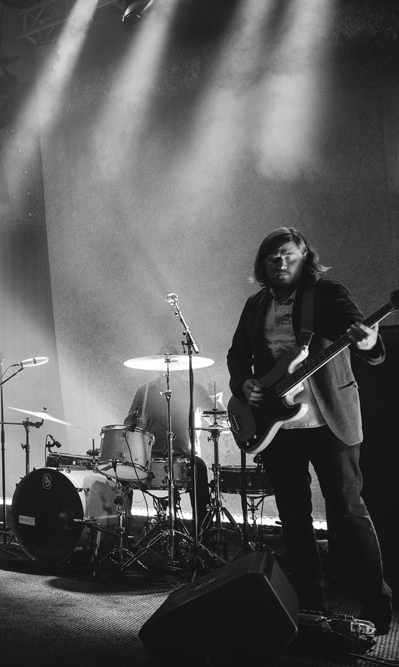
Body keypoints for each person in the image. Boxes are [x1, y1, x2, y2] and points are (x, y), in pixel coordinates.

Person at [226, 227, 392, 634]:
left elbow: (365, 340)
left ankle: (377, 604)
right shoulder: (256, 304)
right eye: (272, 257)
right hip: (277, 425)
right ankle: (309, 603)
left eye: (288, 255)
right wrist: (244, 384)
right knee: (294, 516)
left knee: (349, 512)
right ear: (263, 265)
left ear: (304, 257)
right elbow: (237, 355)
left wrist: (367, 342)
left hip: (329, 420)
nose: (280, 262)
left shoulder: (328, 294)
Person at [124, 350, 213, 533]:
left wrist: (218, 412)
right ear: (158, 368)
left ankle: (204, 534)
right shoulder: (144, 391)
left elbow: (215, 415)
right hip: (149, 457)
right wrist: (134, 425)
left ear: (182, 368)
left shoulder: (195, 389)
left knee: (200, 468)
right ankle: (122, 534)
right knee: (123, 473)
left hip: (184, 456)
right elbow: (129, 422)